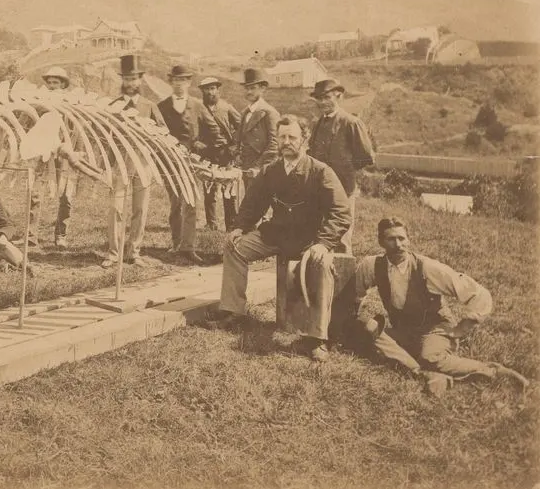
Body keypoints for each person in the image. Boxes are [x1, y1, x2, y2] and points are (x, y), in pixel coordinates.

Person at [214, 115, 352, 362]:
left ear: (305, 140)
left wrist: (324, 243)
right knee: (235, 247)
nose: (287, 142)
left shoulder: (321, 172)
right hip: (276, 235)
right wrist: (239, 227)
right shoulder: (270, 171)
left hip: (311, 240)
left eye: (293, 137)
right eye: (282, 137)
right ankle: (234, 312)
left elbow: (341, 213)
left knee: (323, 266)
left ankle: (317, 338)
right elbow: (252, 205)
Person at [349, 217, 529, 396]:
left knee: (430, 358)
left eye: (402, 238)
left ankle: (493, 371)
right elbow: (355, 294)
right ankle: (425, 374)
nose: (398, 245)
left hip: (434, 329)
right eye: (391, 239)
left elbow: (477, 293)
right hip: (404, 330)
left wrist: (462, 327)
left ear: (409, 239)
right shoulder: (372, 265)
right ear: (381, 241)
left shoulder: (427, 268)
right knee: (368, 330)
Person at [102, 54, 161, 268]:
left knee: (140, 208)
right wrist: (108, 165)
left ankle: (134, 252)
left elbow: (163, 134)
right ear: (122, 81)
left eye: (134, 79)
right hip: (120, 163)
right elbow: (105, 137)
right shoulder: (114, 106)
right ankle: (113, 253)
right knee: (116, 207)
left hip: (143, 163)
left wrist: (150, 148)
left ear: (140, 80)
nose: (130, 83)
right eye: (127, 79)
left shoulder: (149, 106)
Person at [157, 64, 218, 265]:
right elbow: (156, 134)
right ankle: (176, 244)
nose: (179, 84)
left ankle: (189, 247)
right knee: (175, 204)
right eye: (176, 80)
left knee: (191, 204)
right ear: (171, 82)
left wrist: (203, 147)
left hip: (192, 161)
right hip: (170, 162)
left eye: (183, 80)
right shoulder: (162, 106)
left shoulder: (197, 105)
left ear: (189, 83)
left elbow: (213, 130)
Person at [307, 78, 375, 254]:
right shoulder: (317, 124)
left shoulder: (351, 123)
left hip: (343, 190)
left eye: (327, 97)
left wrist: (344, 170)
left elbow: (366, 157)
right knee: (321, 237)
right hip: (320, 190)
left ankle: (344, 280)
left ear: (339, 96)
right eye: (319, 99)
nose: (323, 102)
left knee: (342, 238)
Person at [28, 66, 77, 250]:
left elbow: (76, 128)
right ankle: (31, 235)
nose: (51, 86)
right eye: (49, 83)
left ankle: (61, 235)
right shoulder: (41, 104)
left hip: (64, 152)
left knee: (66, 194)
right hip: (44, 152)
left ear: (63, 85)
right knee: (35, 193)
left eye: (55, 82)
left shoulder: (71, 103)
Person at [198, 76, 242, 232]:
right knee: (209, 189)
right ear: (202, 91)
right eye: (206, 89)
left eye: (212, 88)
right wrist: (198, 143)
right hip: (207, 153)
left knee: (228, 189)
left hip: (225, 153)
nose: (210, 92)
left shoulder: (226, 107)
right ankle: (211, 223)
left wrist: (234, 147)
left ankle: (231, 223)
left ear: (218, 90)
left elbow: (241, 127)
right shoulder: (199, 108)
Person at [236, 68, 280, 196]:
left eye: (253, 88)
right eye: (247, 88)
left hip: (262, 165)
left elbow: (274, 144)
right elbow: (240, 138)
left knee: (260, 201)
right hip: (246, 163)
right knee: (249, 200)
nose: (249, 91)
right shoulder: (245, 112)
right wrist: (237, 154)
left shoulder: (269, 112)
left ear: (262, 88)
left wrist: (258, 166)